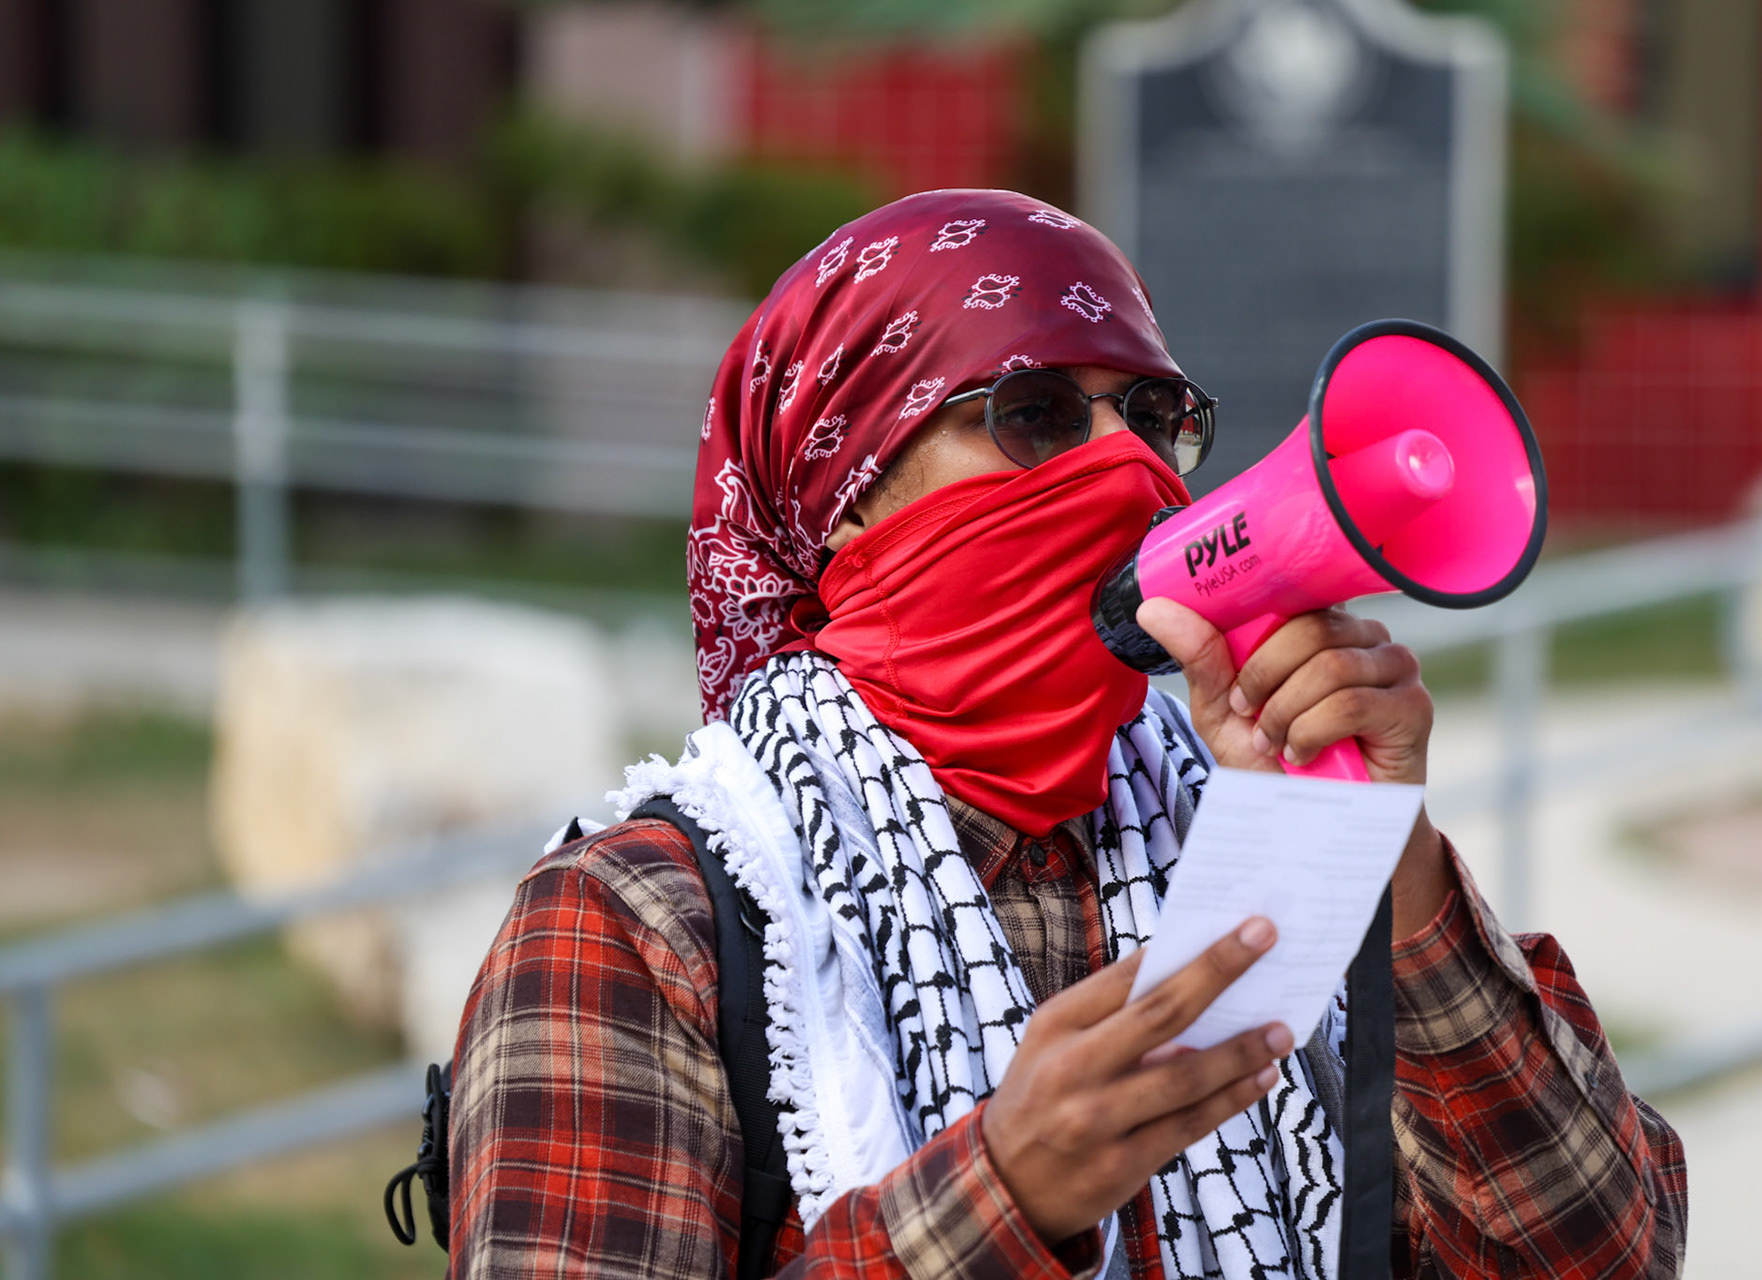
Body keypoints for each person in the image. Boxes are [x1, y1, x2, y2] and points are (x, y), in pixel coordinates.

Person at [447, 189, 1686, 1279]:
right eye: (1034, 412)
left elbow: (1603, 1254)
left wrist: (1390, 864)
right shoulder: (643, 926)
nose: (1126, 467)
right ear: (845, 498)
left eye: (1155, 414)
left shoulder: (1258, 845)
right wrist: (1006, 1194)